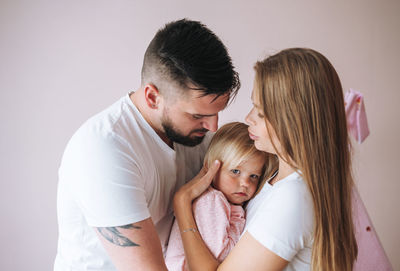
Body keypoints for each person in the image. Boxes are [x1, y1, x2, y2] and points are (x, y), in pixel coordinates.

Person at [54, 19, 240, 271]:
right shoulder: (104, 149)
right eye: (198, 116)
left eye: (217, 113)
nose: (213, 127)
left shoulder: (196, 136)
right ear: (153, 97)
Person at [173, 48, 358, 271]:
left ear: (292, 120)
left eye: (260, 112)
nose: (248, 118)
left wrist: (182, 204)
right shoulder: (273, 176)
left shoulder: (293, 198)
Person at [165, 122, 277, 270]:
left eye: (254, 176)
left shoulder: (225, 202)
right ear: (212, 167)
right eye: (235, 171)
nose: (245, 183)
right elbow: (220, 255)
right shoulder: (211, 201)